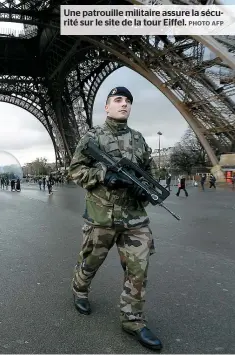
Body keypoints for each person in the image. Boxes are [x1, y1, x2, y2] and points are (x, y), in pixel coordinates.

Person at [68, 87, 162, 351]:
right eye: (118, 100)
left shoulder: (140, 140)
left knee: (138, 271)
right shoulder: (92, 137)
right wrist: (103, 176)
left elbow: (149, 173)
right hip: (101, 217)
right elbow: (74, 170)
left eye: (128, 101)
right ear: (106, 107)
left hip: (134, 219)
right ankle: (79, 289)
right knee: (90, 263)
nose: (124, 104)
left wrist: (145, 189)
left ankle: (132, 320)